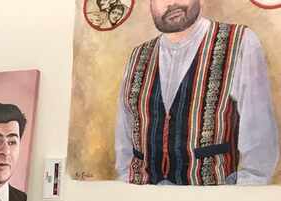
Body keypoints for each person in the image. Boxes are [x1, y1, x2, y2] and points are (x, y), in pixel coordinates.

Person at [116, 0, 279, 185]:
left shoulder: (240, 42)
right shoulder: (138, 55)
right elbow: (124, 141)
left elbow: (259, 151)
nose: (171, 3)